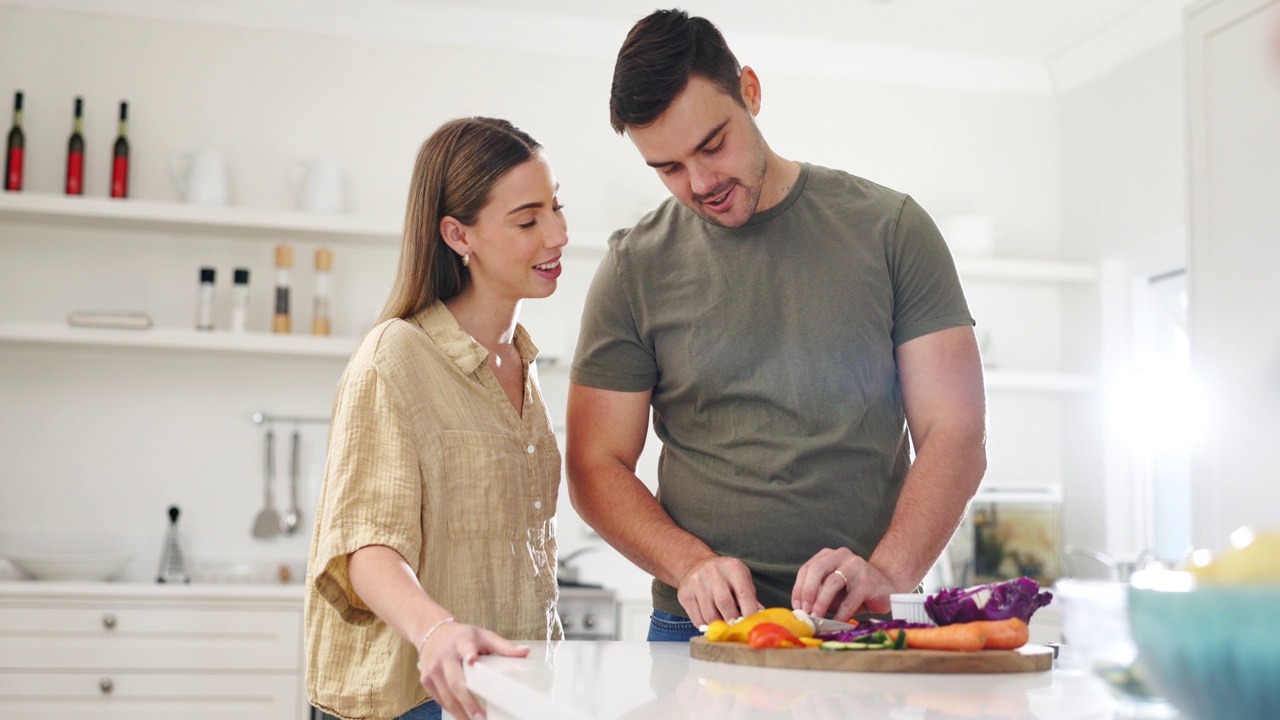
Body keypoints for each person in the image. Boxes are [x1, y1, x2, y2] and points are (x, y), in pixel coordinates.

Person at [567, 9, 987, 642]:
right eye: (669, 168)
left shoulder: (892, 230)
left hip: (861, 626)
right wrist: (688, 564)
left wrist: (889, 572)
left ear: (751, 92)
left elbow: (955, 431)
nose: (702, 183)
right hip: (699, 632)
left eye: (713, 145)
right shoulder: (635, 267)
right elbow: (595, 465)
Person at [305, 116, 569, 720]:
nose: (557, 233)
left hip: (506, 695)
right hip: (414, 702)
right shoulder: (394, 357)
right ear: (458, 235)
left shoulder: (520, 364)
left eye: (556, 208)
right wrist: (437, 632)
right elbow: (365, 544)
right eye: (528, 220)